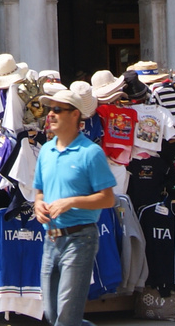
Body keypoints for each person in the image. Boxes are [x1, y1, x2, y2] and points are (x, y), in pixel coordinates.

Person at [33, 81, 116, 326]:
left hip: (80, 239)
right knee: (52, 314)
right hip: (51, 238)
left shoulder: (91, 152)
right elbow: (39, 191)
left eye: (57, 109)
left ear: (75, 114)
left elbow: (108, 198)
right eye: (50, 110)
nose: (50, 114)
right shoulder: (46, 151)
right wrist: (38, 204)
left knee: (67, 318)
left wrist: (72, 202)